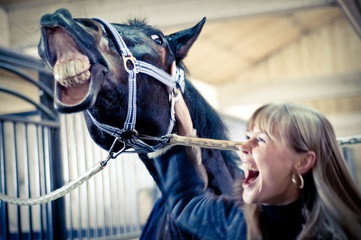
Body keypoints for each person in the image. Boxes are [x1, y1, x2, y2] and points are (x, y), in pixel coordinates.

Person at [149, 94, 361, 240]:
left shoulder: (347, 231)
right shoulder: (237, 221)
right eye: (248, 136)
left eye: (261, 140)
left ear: (303, 162)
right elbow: (186, 203)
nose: (243, 148)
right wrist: (184, 136)